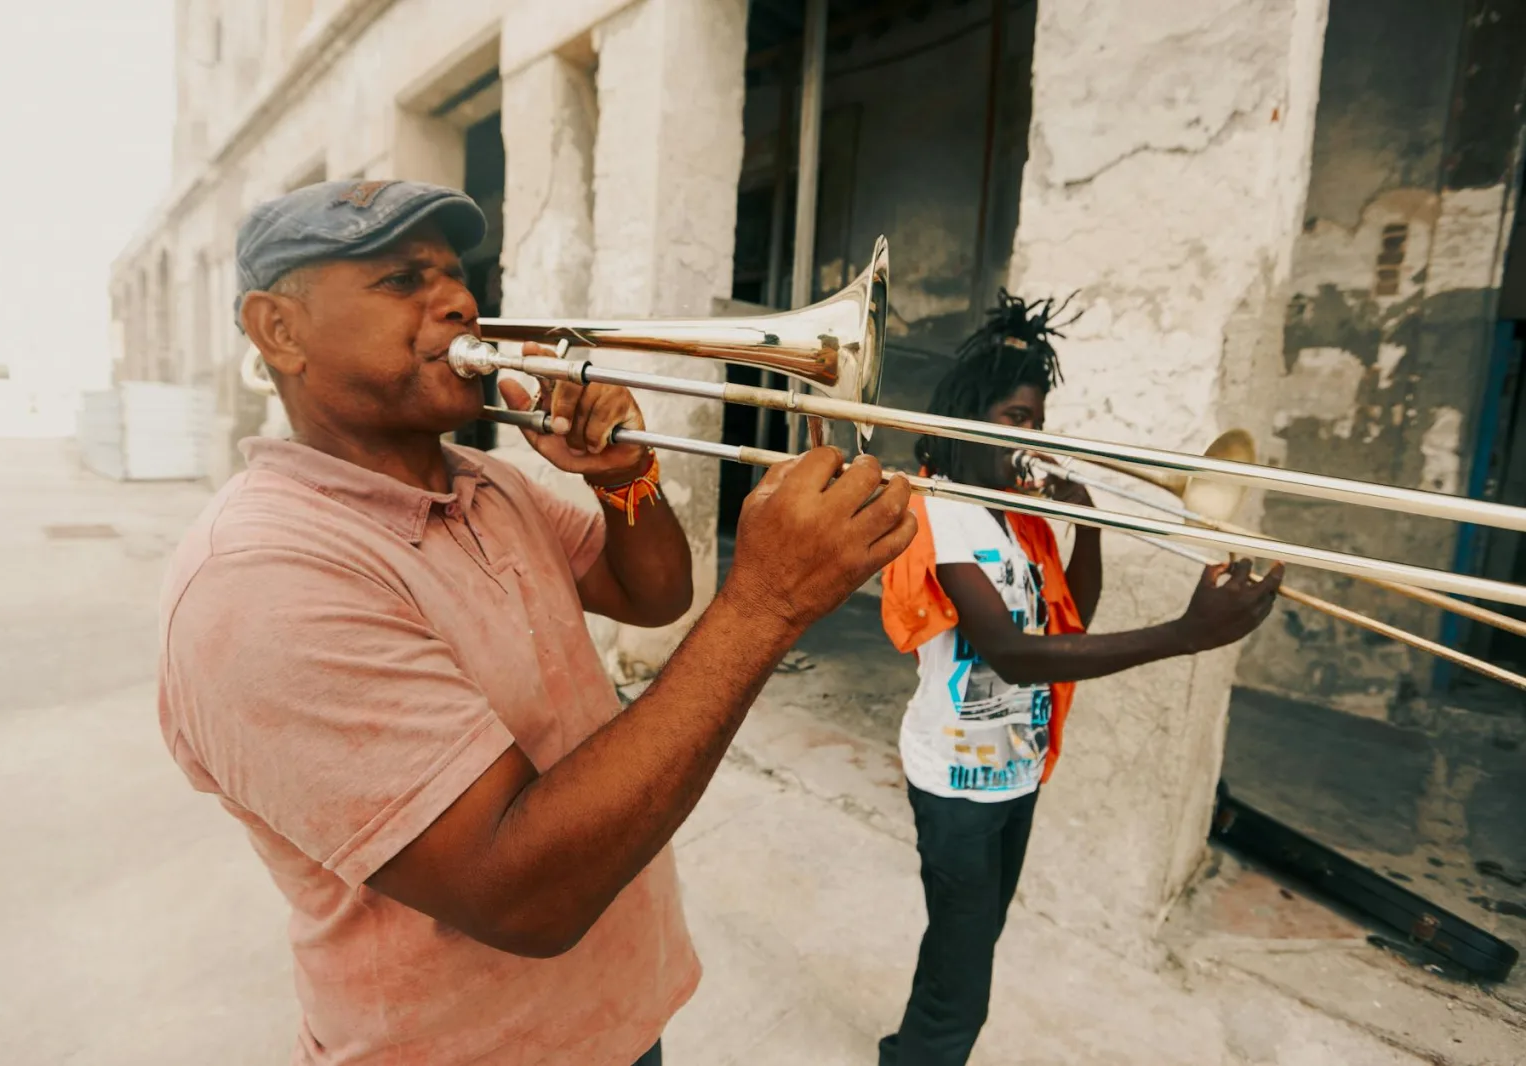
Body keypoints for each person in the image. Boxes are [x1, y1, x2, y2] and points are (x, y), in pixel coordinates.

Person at [156, 179, 917, 1066]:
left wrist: (623, 477)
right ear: (278, 330)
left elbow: (654, 596)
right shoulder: (260, 579)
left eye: (457, 275)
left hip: (621, 1018)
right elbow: (523, 895)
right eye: (403, 281)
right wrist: (767, 606)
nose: (462, 301)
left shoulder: (488, 485)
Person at [876, 292, 1283, 1066]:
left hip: (1016, 773)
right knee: (968, 981)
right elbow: (1011, 654)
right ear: (969, 416)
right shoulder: (942, 514)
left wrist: (1089, 523)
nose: (1031, 436)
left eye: (1036, 420)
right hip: (956, 787)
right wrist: (1183, 636)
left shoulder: (1018, 516)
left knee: (970, 940)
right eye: (1016, 416)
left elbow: (1066, 623)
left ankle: (905, 1050)